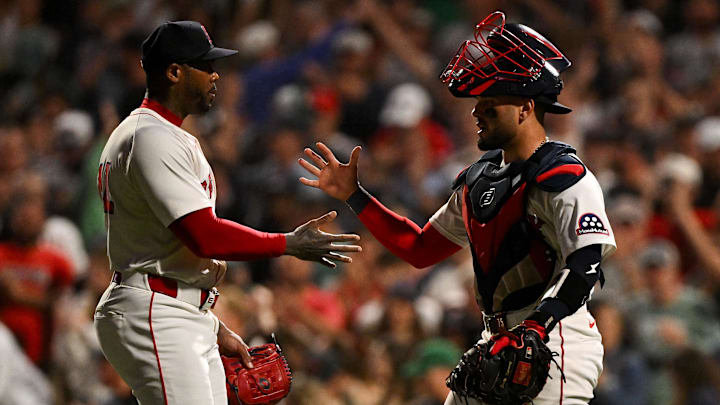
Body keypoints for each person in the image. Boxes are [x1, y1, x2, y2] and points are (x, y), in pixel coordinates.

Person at [299, 11, 616, 405]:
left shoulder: (565, 176)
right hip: (497, 340)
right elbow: (418, 248)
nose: (476, 111)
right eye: (478, 101)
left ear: (525, 107)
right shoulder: (480, 178)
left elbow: (586, 264)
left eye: (490, 102)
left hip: (554, 342)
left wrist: (536, 327)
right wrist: (355, 195)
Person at [93, 21, 361, 405]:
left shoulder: (157, 135)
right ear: (174, 72)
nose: (215, 75)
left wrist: (211, 324)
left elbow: (166, 246)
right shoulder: (150, 137)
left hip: (174, 305)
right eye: (205, 66)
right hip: (156, 308)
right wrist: (287, 243)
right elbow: (203, 235)